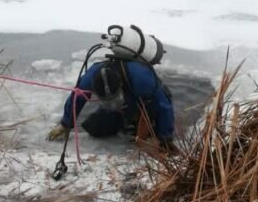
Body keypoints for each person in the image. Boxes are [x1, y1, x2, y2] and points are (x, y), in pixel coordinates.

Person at [47, 57, 176, 147]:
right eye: (107, 102)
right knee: (94, 126)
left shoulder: (142, 80)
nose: (112, 105)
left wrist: (165, 139)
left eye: (115, 100)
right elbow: (77, 97)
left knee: (151, 122)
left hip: (139, 96)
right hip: (125, 100)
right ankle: (124, 121)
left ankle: (142, 121)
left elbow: (164, 105)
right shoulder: (91, 76)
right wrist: (66, 123)